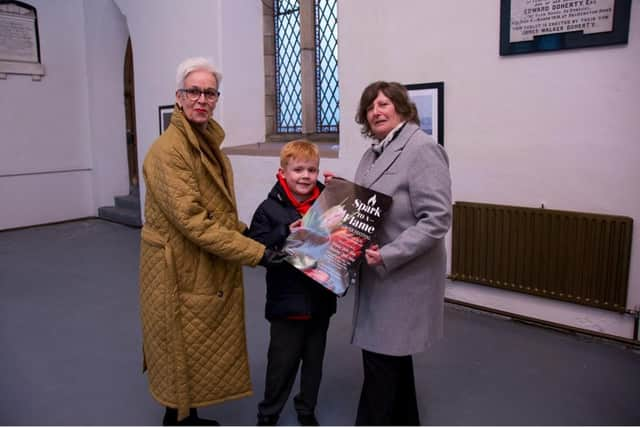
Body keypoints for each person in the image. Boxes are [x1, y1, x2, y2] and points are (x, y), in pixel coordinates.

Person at [138, 57, 283, 426]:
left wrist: (242, 230)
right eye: (194, 91)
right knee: (178, 342)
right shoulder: (168, 151)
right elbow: (193, 222)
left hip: (196, 262)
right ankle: (177, 420)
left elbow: (213, 209)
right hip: (178, 267)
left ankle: (188, 416)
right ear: (179, 97)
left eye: (209, 92)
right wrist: (257, 253)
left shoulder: (204, 142)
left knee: (190, 343)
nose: (202, 99)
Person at [351, 81, 452, 425]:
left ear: (402, 108)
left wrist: (390, 254)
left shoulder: (422, 149)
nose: (376, 111)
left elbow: (437, 219)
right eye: (370, 107)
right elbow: (362, 209)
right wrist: (336, 195)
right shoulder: (371, 154)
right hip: (376, 273)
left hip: (402, 274)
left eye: (384, 104)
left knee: (381, 360)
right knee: (391, 357)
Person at [247, 140, 337, 426]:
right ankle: (268, 414)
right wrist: (286, 232)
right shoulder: (268, 209)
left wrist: (338, 192)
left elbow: (347, 232)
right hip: (286, 303)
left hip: (321, 299)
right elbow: (255, 246)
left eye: (312, 170)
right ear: (282, 172)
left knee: (313, 364)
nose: (305, 176)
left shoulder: (327, 203)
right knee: (281, 365)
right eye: (298, 169)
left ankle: (306, 410)